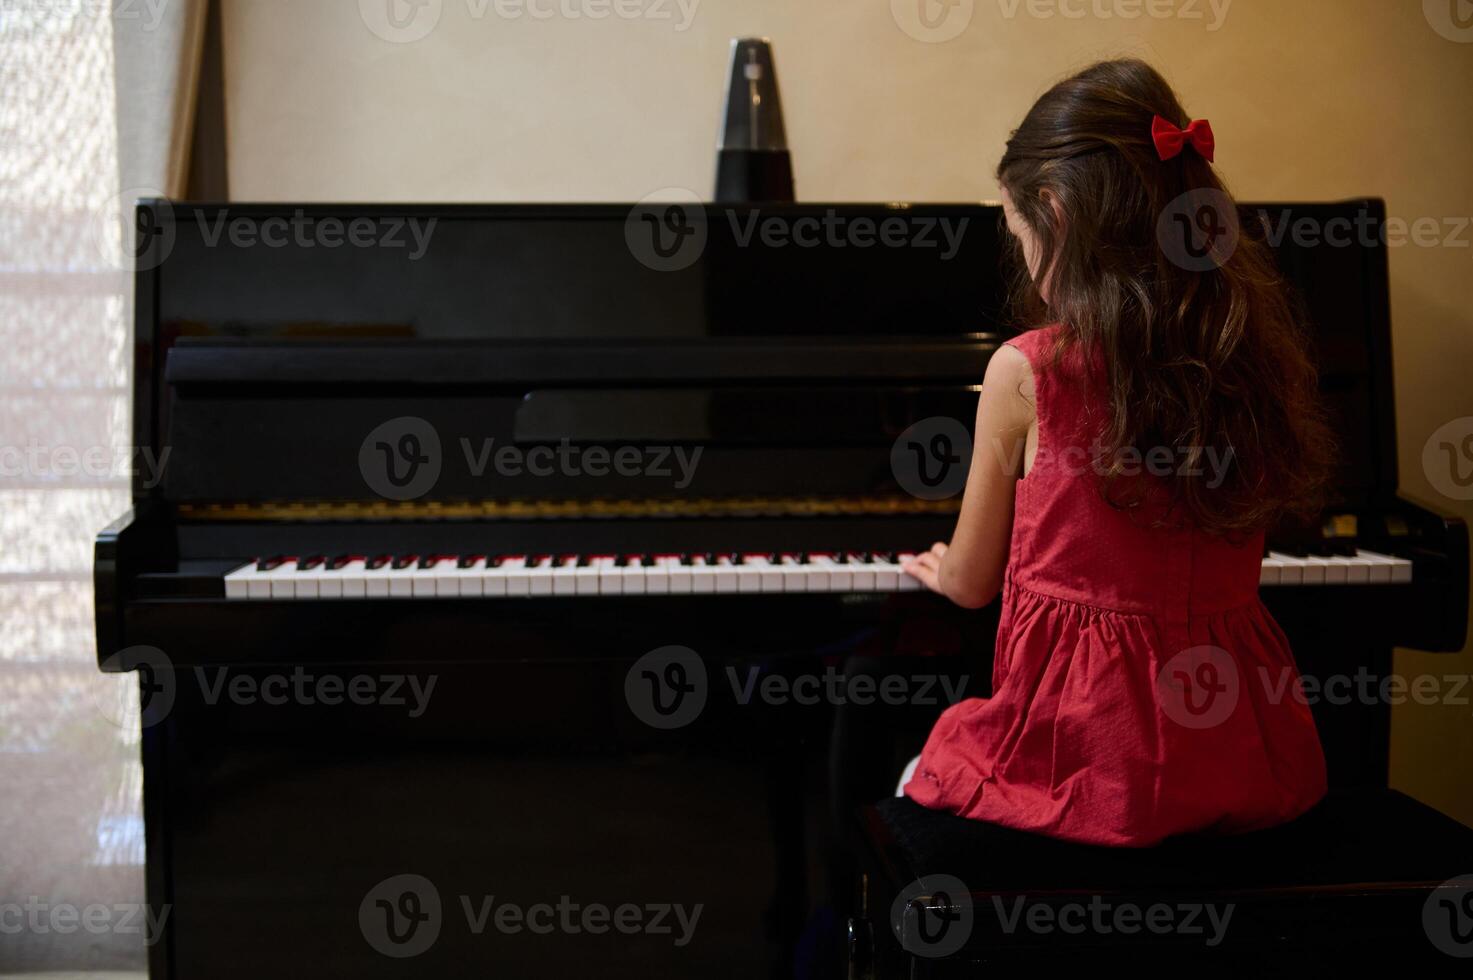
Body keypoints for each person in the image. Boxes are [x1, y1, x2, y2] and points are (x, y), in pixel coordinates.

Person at [899, 59, 1332, 846]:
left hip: (1090, 750)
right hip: (1242, 744)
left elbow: (968, 585)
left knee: (912, 773)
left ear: (1056, 213)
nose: (1023, 258)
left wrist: (940, 568)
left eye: (1018, 234)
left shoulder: (1029, 369)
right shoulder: (1246, 352)